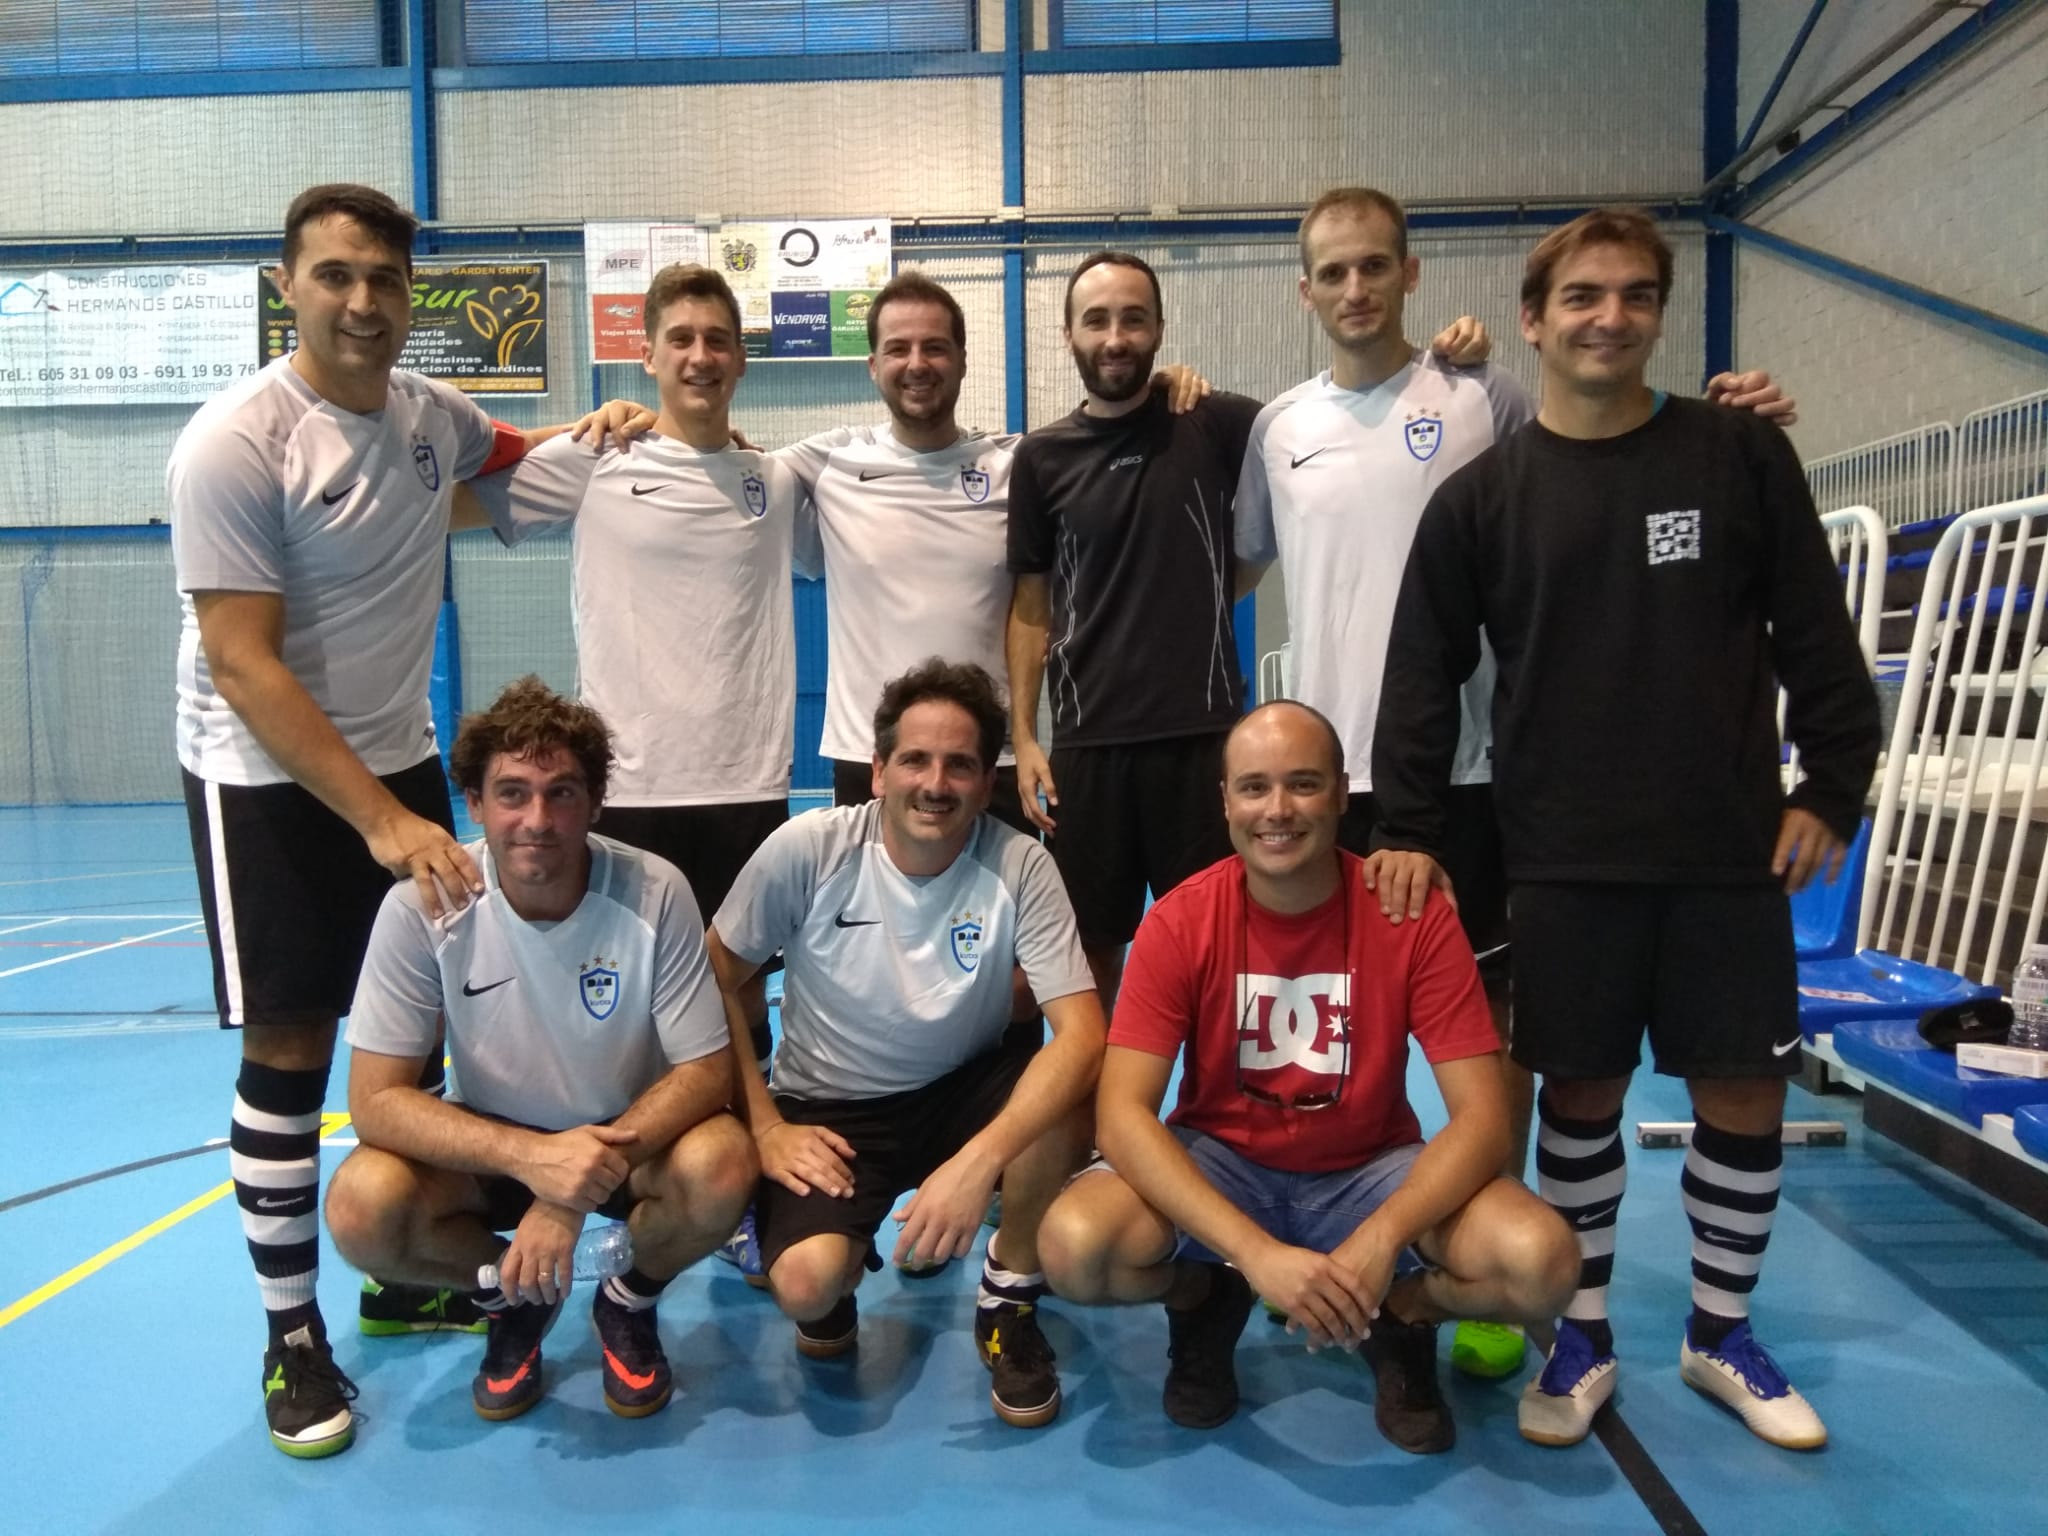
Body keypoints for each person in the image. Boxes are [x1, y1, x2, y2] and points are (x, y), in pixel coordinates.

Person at [1234, 185, 1797, 1381]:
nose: (1354, 287)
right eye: (1331, 270)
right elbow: (1231, 563)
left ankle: (1487, 1274)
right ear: (1302, 288)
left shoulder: (1478, 397)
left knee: (1497, 1041)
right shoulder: (1275, 425)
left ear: (1411, 274)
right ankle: (1325, 1246)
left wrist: (1732, 420)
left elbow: (1606, 430)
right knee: (1320, 1027)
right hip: (1330, 780)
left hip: (1480, 775)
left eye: (1375, 265)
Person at [1371, 207, 1879, 1452]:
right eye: (1582, 297)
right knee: (1579, 1095)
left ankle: (1719, 1332)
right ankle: (1582, 1333)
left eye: (1635, 296)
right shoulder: (1480, 500)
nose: (1609, 318)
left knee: (1741, 1091)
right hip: (1561, 856)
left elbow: (1814, 628)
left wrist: (1830, 786)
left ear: (1658, 314)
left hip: (1723, 850)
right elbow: (1420, 671)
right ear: (1531, 320)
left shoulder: (1737, 455)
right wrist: (1411, 826)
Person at [166, 182, 638, 1458]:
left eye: (383, 277)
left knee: (416, 1034)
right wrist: (381, 823)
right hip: (261, 778)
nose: (362, 300)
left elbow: (509, 463)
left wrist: (595, 429)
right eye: (335, 275)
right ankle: (289, 1334)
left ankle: (406, 1271)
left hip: (398, 757)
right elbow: (244, 662)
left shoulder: (430, 416)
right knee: (292, 1047)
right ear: (289, 287)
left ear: (410, 292)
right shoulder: (235, 443)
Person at [1037, 701, 1577, 1453]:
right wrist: (1254, 1255)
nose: (1278, 810)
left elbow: (1484, 1119)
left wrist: (1381, 1242)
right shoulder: (1180, 921)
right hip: (1224, 1162)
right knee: (1073, 1249)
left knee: (1543, 1263)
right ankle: (1204, 1295)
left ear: (1341, 792)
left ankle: (1403, 1314)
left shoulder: (1409, 915)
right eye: (1254, 787)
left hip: (1369, 1171)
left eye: (1303, 783)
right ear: (1225, 801)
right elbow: (1122, 1116)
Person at [324, 678, 754, 1425]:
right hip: (494, 1143)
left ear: (595, 803)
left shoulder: (655, 890)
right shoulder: (421, 907)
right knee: (361, 1208)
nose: (537, 819)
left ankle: (627, 1298)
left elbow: (706, 1070)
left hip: (629, 1137)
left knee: (722, 1165)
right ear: (474, 803)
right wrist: (532, 1161)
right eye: (512, 794)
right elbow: (375, 1102)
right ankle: (512, 1297)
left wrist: (564, 1194)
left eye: (562, 794)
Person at [705, 659, 1106, 1428]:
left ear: (986, 784)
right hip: (832, 1108)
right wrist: (764, 1126)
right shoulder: (810, 850)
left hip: (966, 1088)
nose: (936, 783)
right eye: (916, 760)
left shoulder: (1020, 863)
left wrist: (979, 1162)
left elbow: (1084, 1033)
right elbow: (713, 977)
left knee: (1067, 1096)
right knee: (807, 1288)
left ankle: (1008, 1299)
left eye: (961, 765)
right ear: (879, 772)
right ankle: (824, 1257)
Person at [479, 263, 809, 1078]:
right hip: (629, 786)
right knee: (626, 996)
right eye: (681, 340)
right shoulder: (596, 459)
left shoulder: (775, 481)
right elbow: (449, 498)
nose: (701, 356)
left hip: (746, 783)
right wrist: (563, 431)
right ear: (649, 357)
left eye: (718, 341)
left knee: (740, 995)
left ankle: (744, 1152)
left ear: (741, 360)